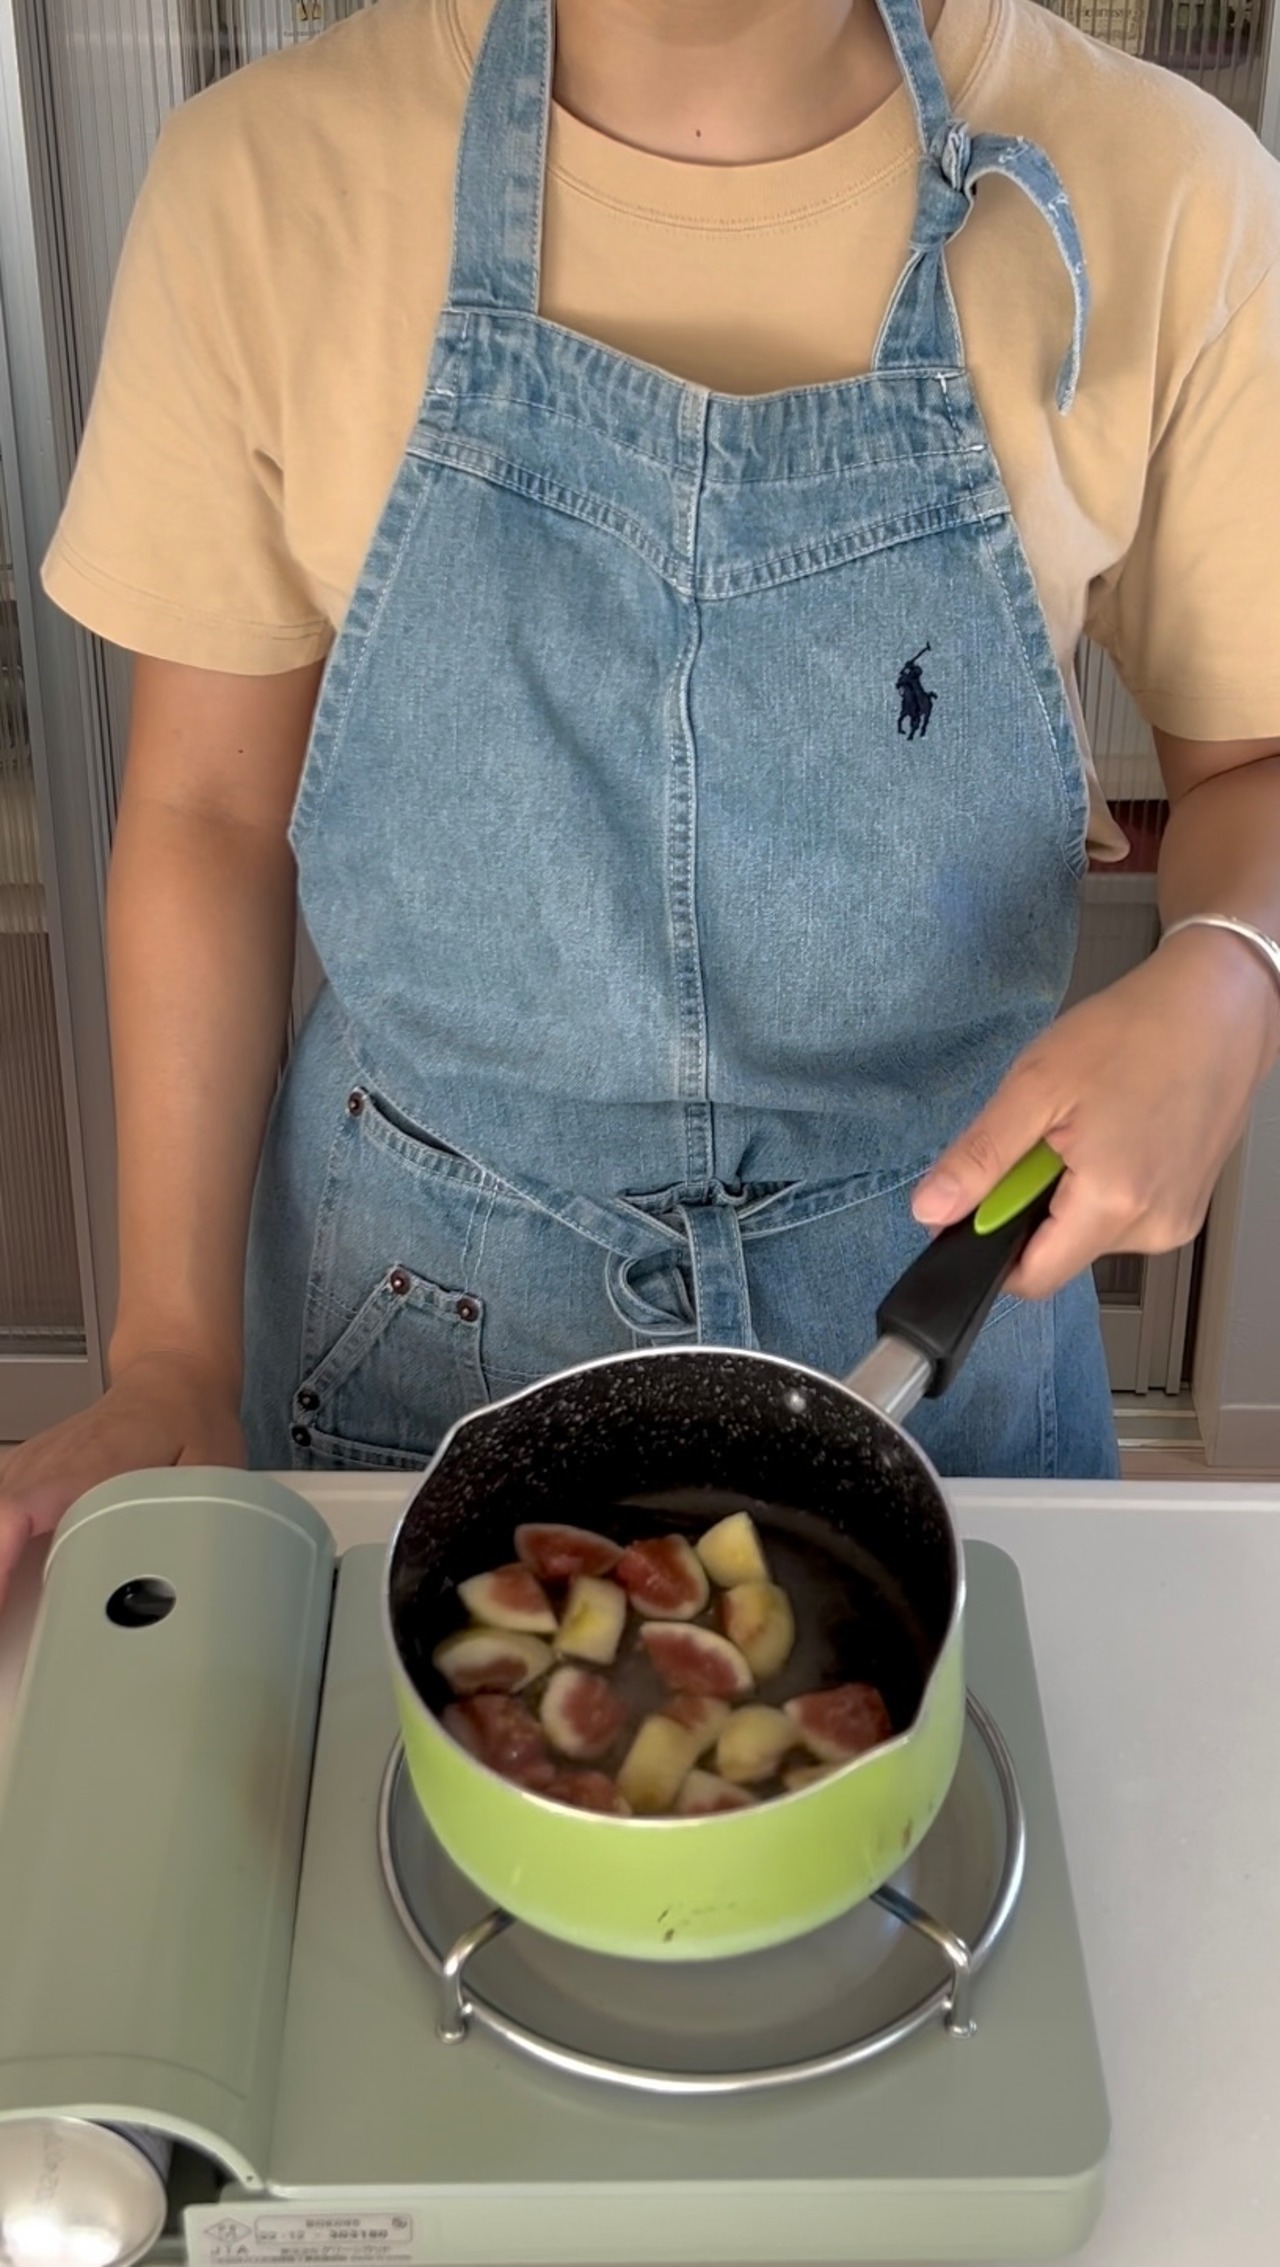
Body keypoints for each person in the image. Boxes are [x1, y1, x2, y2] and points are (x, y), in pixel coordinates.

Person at [2, 0, 1279, 1600]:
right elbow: (204, 814)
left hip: (950, 1307)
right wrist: (171, 1354)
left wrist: (1233, 964)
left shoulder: (1167, 188)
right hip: (406, 1342)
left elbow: (1253, 769)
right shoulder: (259, 183)